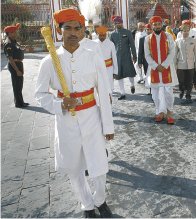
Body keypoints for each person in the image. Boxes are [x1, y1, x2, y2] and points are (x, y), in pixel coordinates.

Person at [35, 9, 113, 218]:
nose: (71, 32)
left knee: (99, 164)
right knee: (73, 166)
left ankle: (100, 200)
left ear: (81, 32)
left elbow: (103, 94)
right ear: (59, 32)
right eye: (66, 28)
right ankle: (87, 205)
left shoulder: (93, 57)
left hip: (91, 117)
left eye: (76, 28)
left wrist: (108, 126)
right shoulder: (50, 61)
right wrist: (59, 103)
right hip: (66, 121)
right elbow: (40, 94)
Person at [144, 16, 178, 124]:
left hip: (166, 69)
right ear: (151, 25)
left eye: (159, 24)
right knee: (156, 93)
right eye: (155, 24)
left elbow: (172, 52)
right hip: (154, 70)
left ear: (161, 24)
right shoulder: (147, 39)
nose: (157, 26)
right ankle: (160, 113)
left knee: (168, 93)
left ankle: (169, 113)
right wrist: (155, 66)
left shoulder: (169, 36)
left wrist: (164, 65)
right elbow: (147, 55)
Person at [110, 15, 137, 100]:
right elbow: (111, 47)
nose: (118, 24)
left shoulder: (128, 32)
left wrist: (134, 56)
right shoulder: (113, 34)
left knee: (130, 73)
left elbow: (132, 45)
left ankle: (132, 85)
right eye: (116, 23)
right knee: (119, 75)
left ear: (121, 23)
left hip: (127, 56)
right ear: (114, 24)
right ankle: (122, 93)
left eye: (119, 23)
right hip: (117, 57)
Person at [3, 23, 30, 108]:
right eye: (14, 32)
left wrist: (25, 49)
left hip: (19, 63)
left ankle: (21, 101)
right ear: (10, 33)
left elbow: (19, 51)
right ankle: (18, 103)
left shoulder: (14, 42)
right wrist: (17, 70)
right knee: (16, 84)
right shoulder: (9, 43)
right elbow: (10, 58)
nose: (16, 33)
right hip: (14, 65)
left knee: (19, 84)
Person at [174, 24, 196, 103]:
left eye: (187, 31)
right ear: (181, 32)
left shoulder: (193, 41)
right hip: (181, 65)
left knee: (190, 81)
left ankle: (188, 95)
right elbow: (175, 54)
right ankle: (181, 90)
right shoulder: (177, 41)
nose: (186, 32)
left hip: (190, 64)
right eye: (184, 31)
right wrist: (174, 65)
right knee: (181, 80)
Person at [177, 20, 196, 90]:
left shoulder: (194, 32)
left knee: (194, 71)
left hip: (193, 56)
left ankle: (194, 83)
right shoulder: (180, 33)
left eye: (187, 25)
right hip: (183, 57)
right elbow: (177, 46)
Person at [94, 26, 118, 93]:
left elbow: (114, 58)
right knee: (98, 87)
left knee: (108, 87)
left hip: (108, 69)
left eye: (103, 35)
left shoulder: (110, 44)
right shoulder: (94, 44)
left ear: (106, 35)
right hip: (97, 69)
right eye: (100, 35)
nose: (102, 37)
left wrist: (115, 71)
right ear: (97, 35)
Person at [138, 24, 152, 95]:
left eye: (150, 29)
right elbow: (140, 51)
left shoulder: (156, 38)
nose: (149, 31)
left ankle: (154, 90)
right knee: (148, 76)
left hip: (154, 61)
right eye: (147, 29)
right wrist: (139, 62)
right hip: (145, 61)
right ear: (145, 30)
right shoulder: (142, 39)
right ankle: (151, 90)